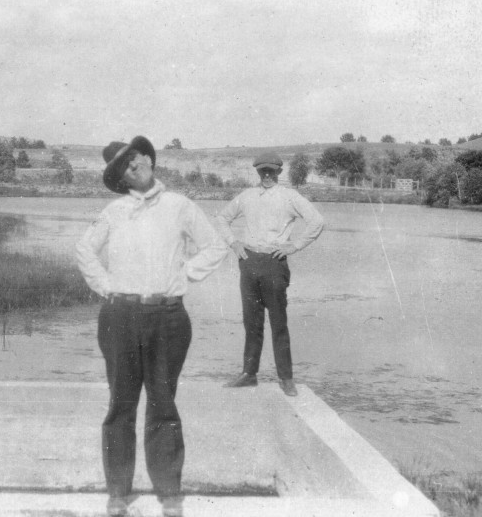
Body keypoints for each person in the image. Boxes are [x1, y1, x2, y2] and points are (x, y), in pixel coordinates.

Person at [75, 135, 227, 517]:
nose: (134, 166)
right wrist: (108, 286)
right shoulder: (113, 211)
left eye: (137, 158)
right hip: (119, 316)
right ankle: (117, 491)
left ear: (149, 159)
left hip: (168, 317)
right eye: (124, 166)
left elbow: (216, 245)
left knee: (163, 403)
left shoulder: (181, 206)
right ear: (121, 178)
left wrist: (184, 274)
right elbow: (84, 250)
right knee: (120, 405)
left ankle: (169, 491)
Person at [214, 152, 324, 397]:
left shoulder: (289, 197)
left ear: (279, 172)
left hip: (275, 263)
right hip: (249, 261)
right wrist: (234, 243)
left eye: (271, 171)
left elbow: (317, 221)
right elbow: (221, 218)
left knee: (278, 323)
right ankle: (248, 374)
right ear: (257, 172)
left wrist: (294, 246)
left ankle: (286, 378)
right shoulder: (246, 196)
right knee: (251, 323)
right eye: (262, 171)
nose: (266, 175)